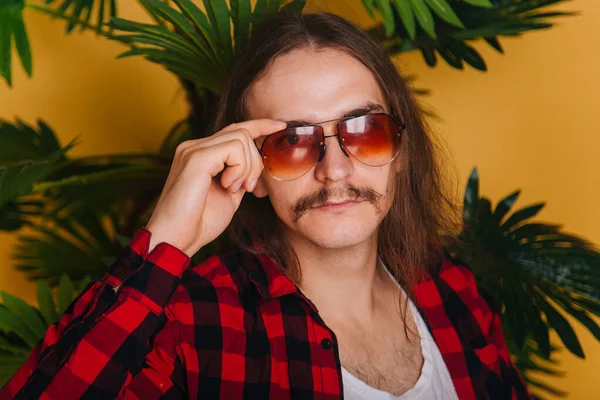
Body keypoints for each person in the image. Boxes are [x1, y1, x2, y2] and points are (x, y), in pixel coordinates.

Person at [0, 11, 532, 400]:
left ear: (400, 148)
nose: (336, 169)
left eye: (364, 131)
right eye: (293, 140)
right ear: (250, 171)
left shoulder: (452, 289)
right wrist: (167, 240)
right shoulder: (196, 325)